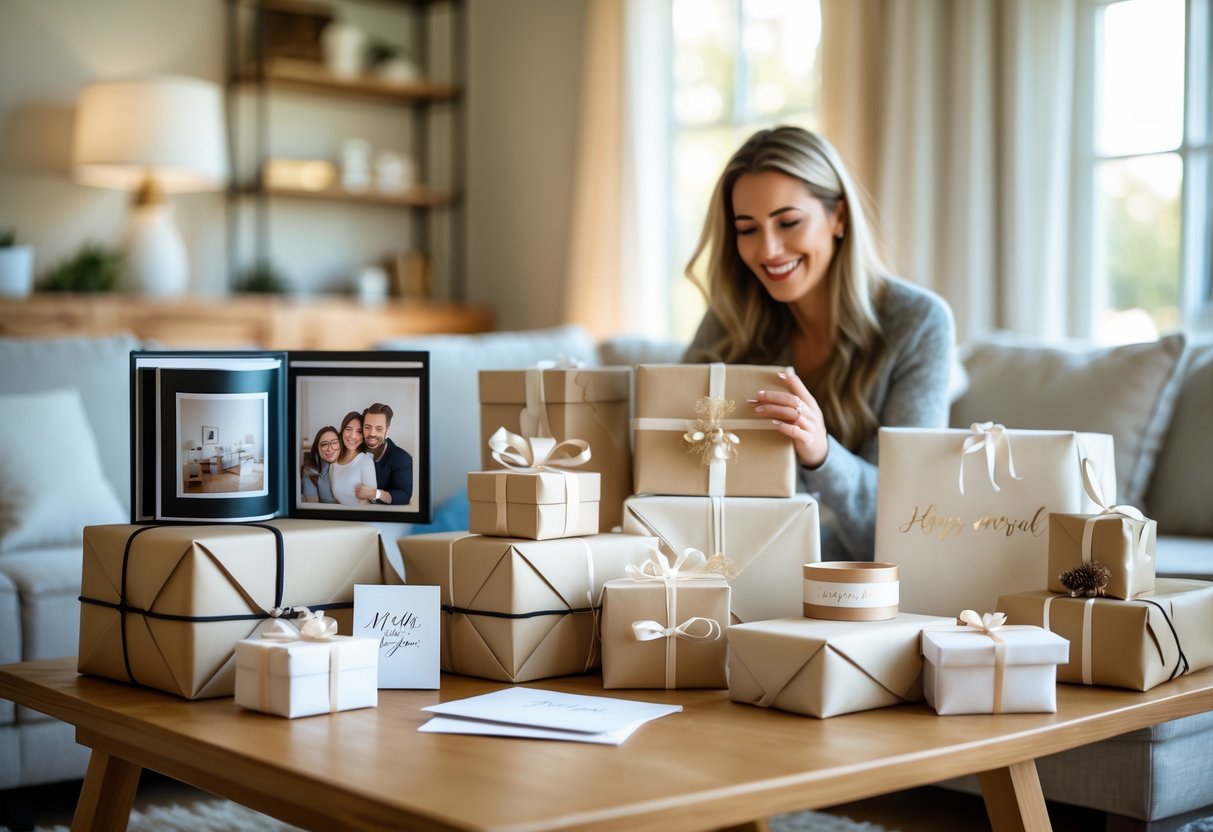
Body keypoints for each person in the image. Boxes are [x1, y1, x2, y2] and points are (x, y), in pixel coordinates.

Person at [683, 125, 956, 561]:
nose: (769, 249)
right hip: (732, 561)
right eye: (747, 228)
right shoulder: (730, 319)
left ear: (839, 217)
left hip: (854, 583)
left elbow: (909, 522)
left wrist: (821, 454)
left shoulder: (919, 322)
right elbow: (671, 458)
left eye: (788, 222)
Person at [354, 402, 413, 506]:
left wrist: (375, 493)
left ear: (387, 430)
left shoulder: (402, 458)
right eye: (367, 427)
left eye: (379, 428)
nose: (372, 433)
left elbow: (404, 495)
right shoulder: (354, 450)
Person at [328, 411, 378, 506]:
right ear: (342, 431)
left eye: (359, 432)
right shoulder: (334, 462)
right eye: (348, 429)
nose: (353, 436)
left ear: (363, 437)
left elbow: (371, 501)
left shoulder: (366, 462)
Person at [300, 425, 340, 504]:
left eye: (334, 442)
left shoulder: (351, 465)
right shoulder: (310, 471)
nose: (330, 449)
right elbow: (313, 509)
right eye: (324, 444)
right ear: (317, 449)